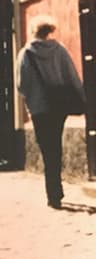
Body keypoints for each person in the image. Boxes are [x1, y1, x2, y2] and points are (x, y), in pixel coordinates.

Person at [17, 15, 87, 209]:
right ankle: (56, 191)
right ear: (49, 31)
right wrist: (82, 98)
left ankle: (53, 194)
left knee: (47, 149)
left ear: (33, 31)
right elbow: (72, 76)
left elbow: (21, 85)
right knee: (55, 146)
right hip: (58, 107)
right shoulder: (60, 51)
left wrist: (30, 98)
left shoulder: (26, 54)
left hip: (39, 109)